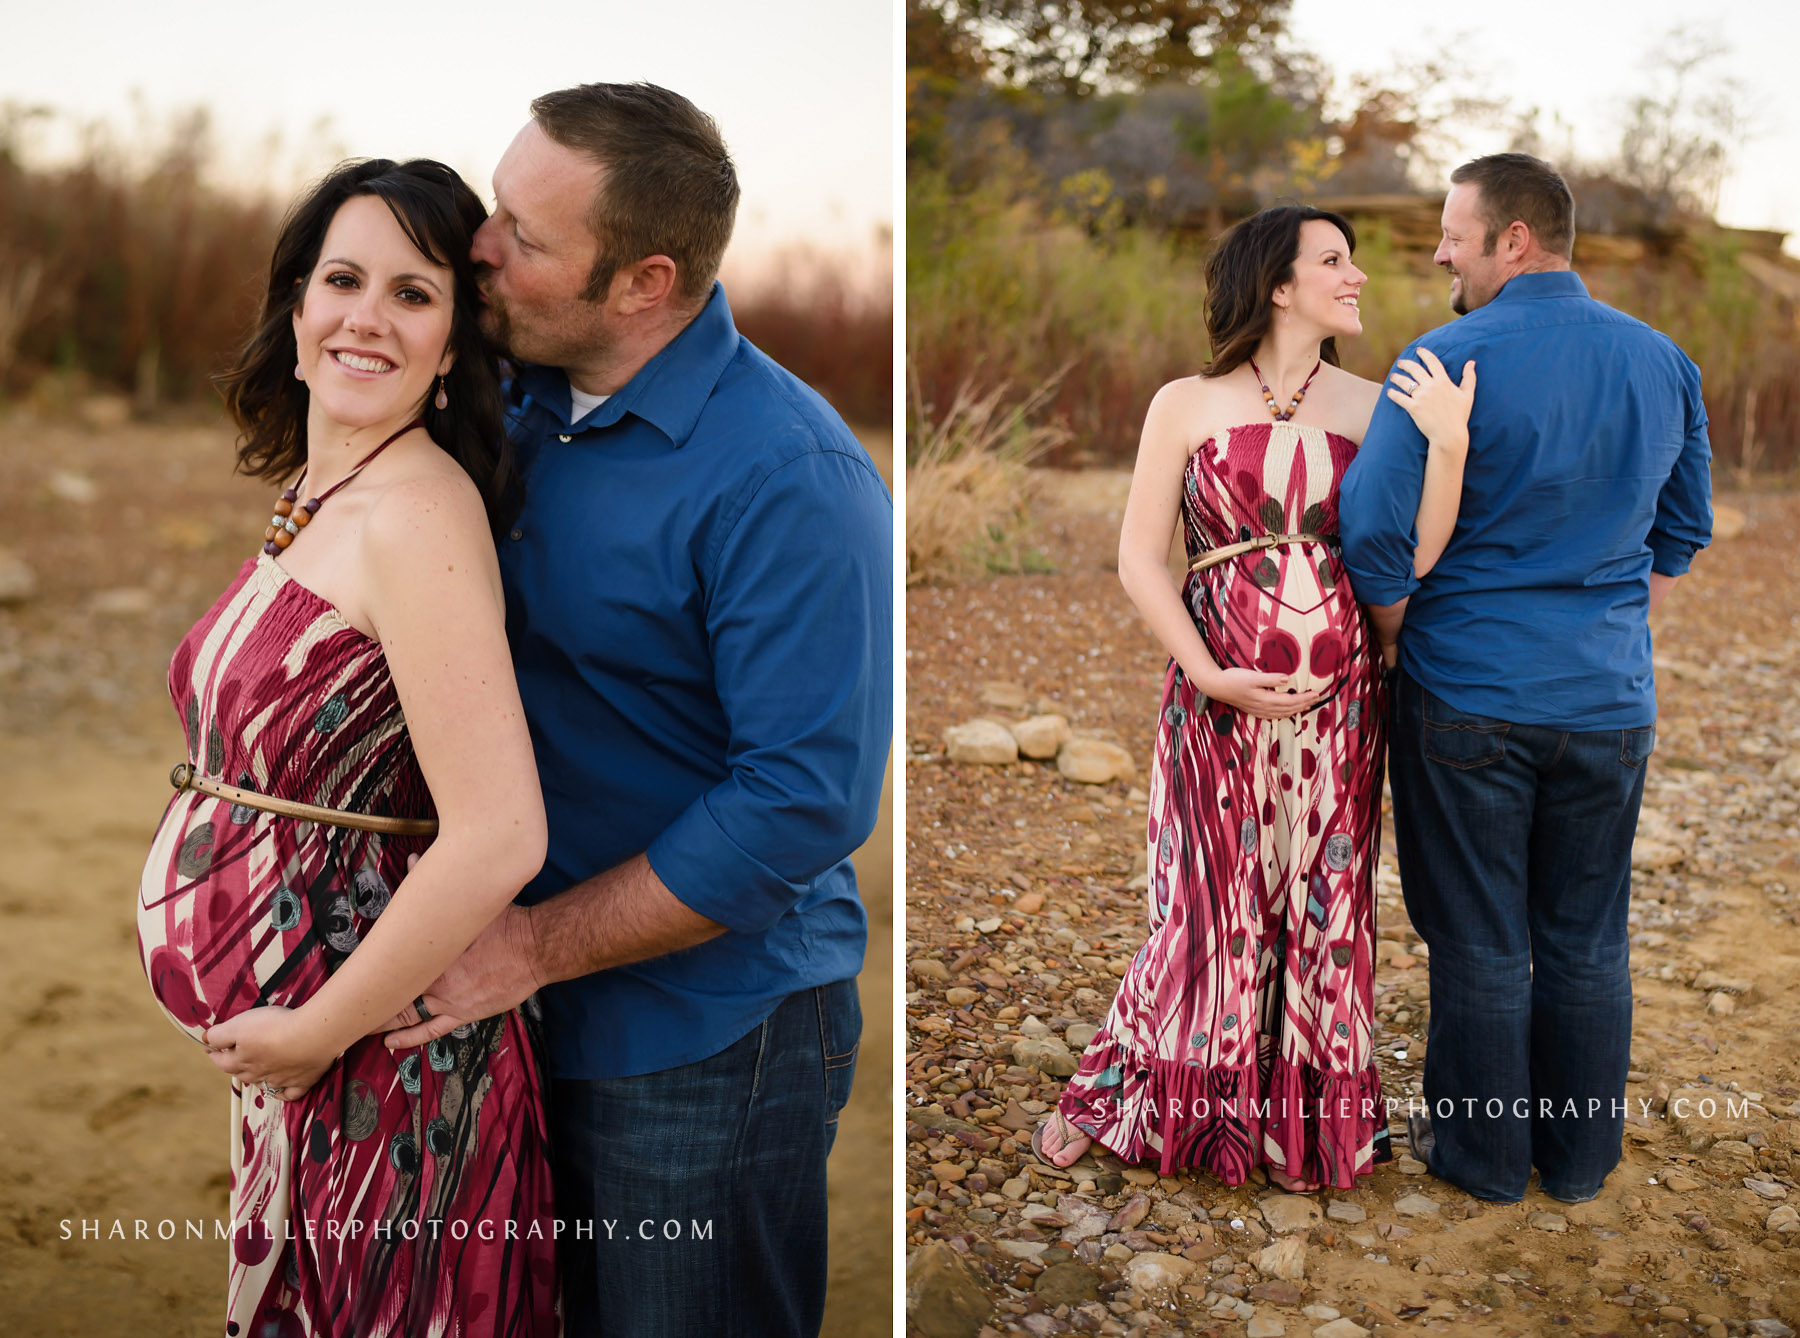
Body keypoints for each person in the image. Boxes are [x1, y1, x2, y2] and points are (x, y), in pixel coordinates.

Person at [376, 83, 892, 1337]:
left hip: (700, 1040)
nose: (479, 245)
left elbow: (799, 804)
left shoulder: (789, 479)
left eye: (523, 233)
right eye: (495, 204)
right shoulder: (518, 397)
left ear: (644, 284)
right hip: (505, 1006)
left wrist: (531, 949)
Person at [136, 160, 558, 1334]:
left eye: (414, 293)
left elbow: (501, 833)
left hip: (380, 1066)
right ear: (297, 305)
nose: (367, 314)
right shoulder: (328, 493)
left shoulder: (416, 511)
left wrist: (320, 1031)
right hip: (311, 1064)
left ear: (455, 345)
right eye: (342, 278)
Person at [1034, 205, 1475, 1192]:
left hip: (1341, 709)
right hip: (1216, 701)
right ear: (1279, 285)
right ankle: (1127, 1093)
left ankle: (1303, 1128)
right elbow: (1142, 560)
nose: (1356, 275)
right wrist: (1206, 671)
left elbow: (1413, 559)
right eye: (1334, 260)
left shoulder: (1377, 407)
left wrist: (1446, 449)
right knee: (1206, 900)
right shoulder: (1184, 403)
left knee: (1320, 906)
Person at [1340, 153, 1713, 1204]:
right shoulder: (1662, 360)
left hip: (1467, 694)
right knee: (1588, 937)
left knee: (1479, 938)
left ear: (1514, 239)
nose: (1439, 253)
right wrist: (1599, 622)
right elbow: (1681, 535)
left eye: (1454, 233)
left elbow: (1372, 538)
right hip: (1608, 702)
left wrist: (1406, 630)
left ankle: (1483, 1159)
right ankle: (1581, 1161)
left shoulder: (1442, 358)